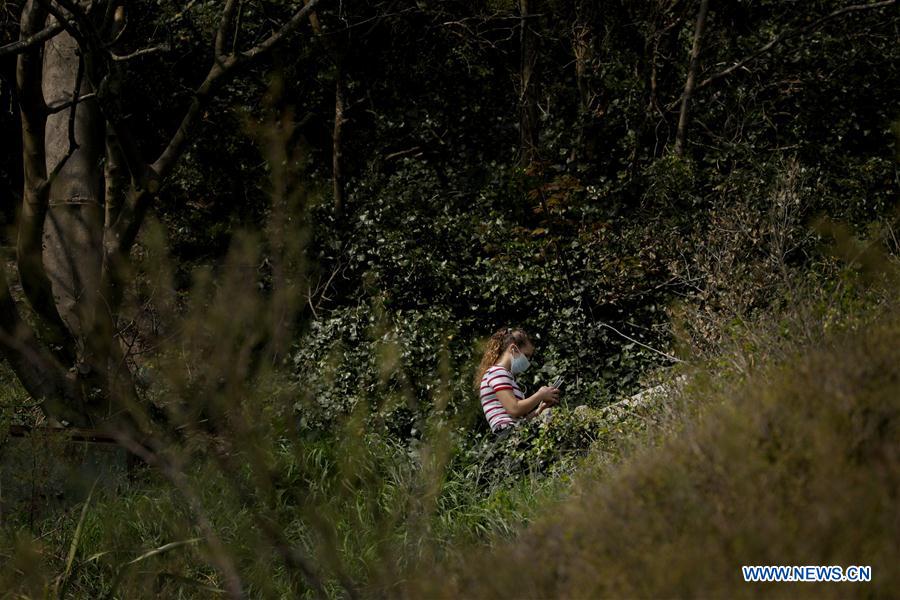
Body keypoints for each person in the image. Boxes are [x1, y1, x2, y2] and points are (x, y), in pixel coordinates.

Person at [474, 327, 560, 437]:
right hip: (505, 432)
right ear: (513, 349)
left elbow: (518, 421)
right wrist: (540, 394)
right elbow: (514, 409)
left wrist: (539, 410)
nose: (528, 361)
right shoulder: (497, 373)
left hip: (511, 432)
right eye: (526, 355)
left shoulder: (505, 375)